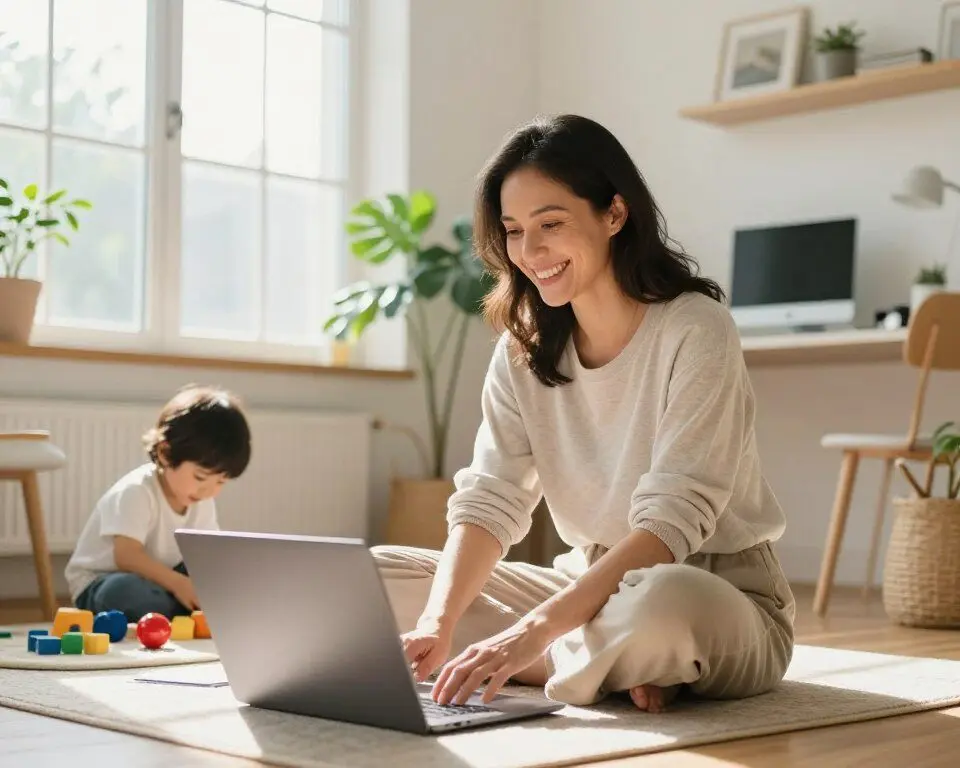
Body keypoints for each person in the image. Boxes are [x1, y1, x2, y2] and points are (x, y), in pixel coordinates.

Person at [372, 114, 795, 714]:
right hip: (587, 587)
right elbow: (492, 499)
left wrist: (531, 631)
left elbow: (672, 523)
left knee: (660, 605)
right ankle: (620, 666)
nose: (531, 251)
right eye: (515, 231)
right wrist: (437, 623)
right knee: (378, 578)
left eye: (551, 224)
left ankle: (581, 653)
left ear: (615, 214)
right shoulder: (521, 350)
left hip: (716, 590)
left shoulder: (695, 328)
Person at [65, 385, 252, 622]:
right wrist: (179, 584)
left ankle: (179, 611)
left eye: (221, 482)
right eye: (200, 477)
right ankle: (184, 612)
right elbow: (127, 557)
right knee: (124, 592)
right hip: (104, 581)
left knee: (222, 576)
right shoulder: (137, 491)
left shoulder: (200, 498)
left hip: (164, 582)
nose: (210, 490)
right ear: (165, 453)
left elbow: (206, 555)